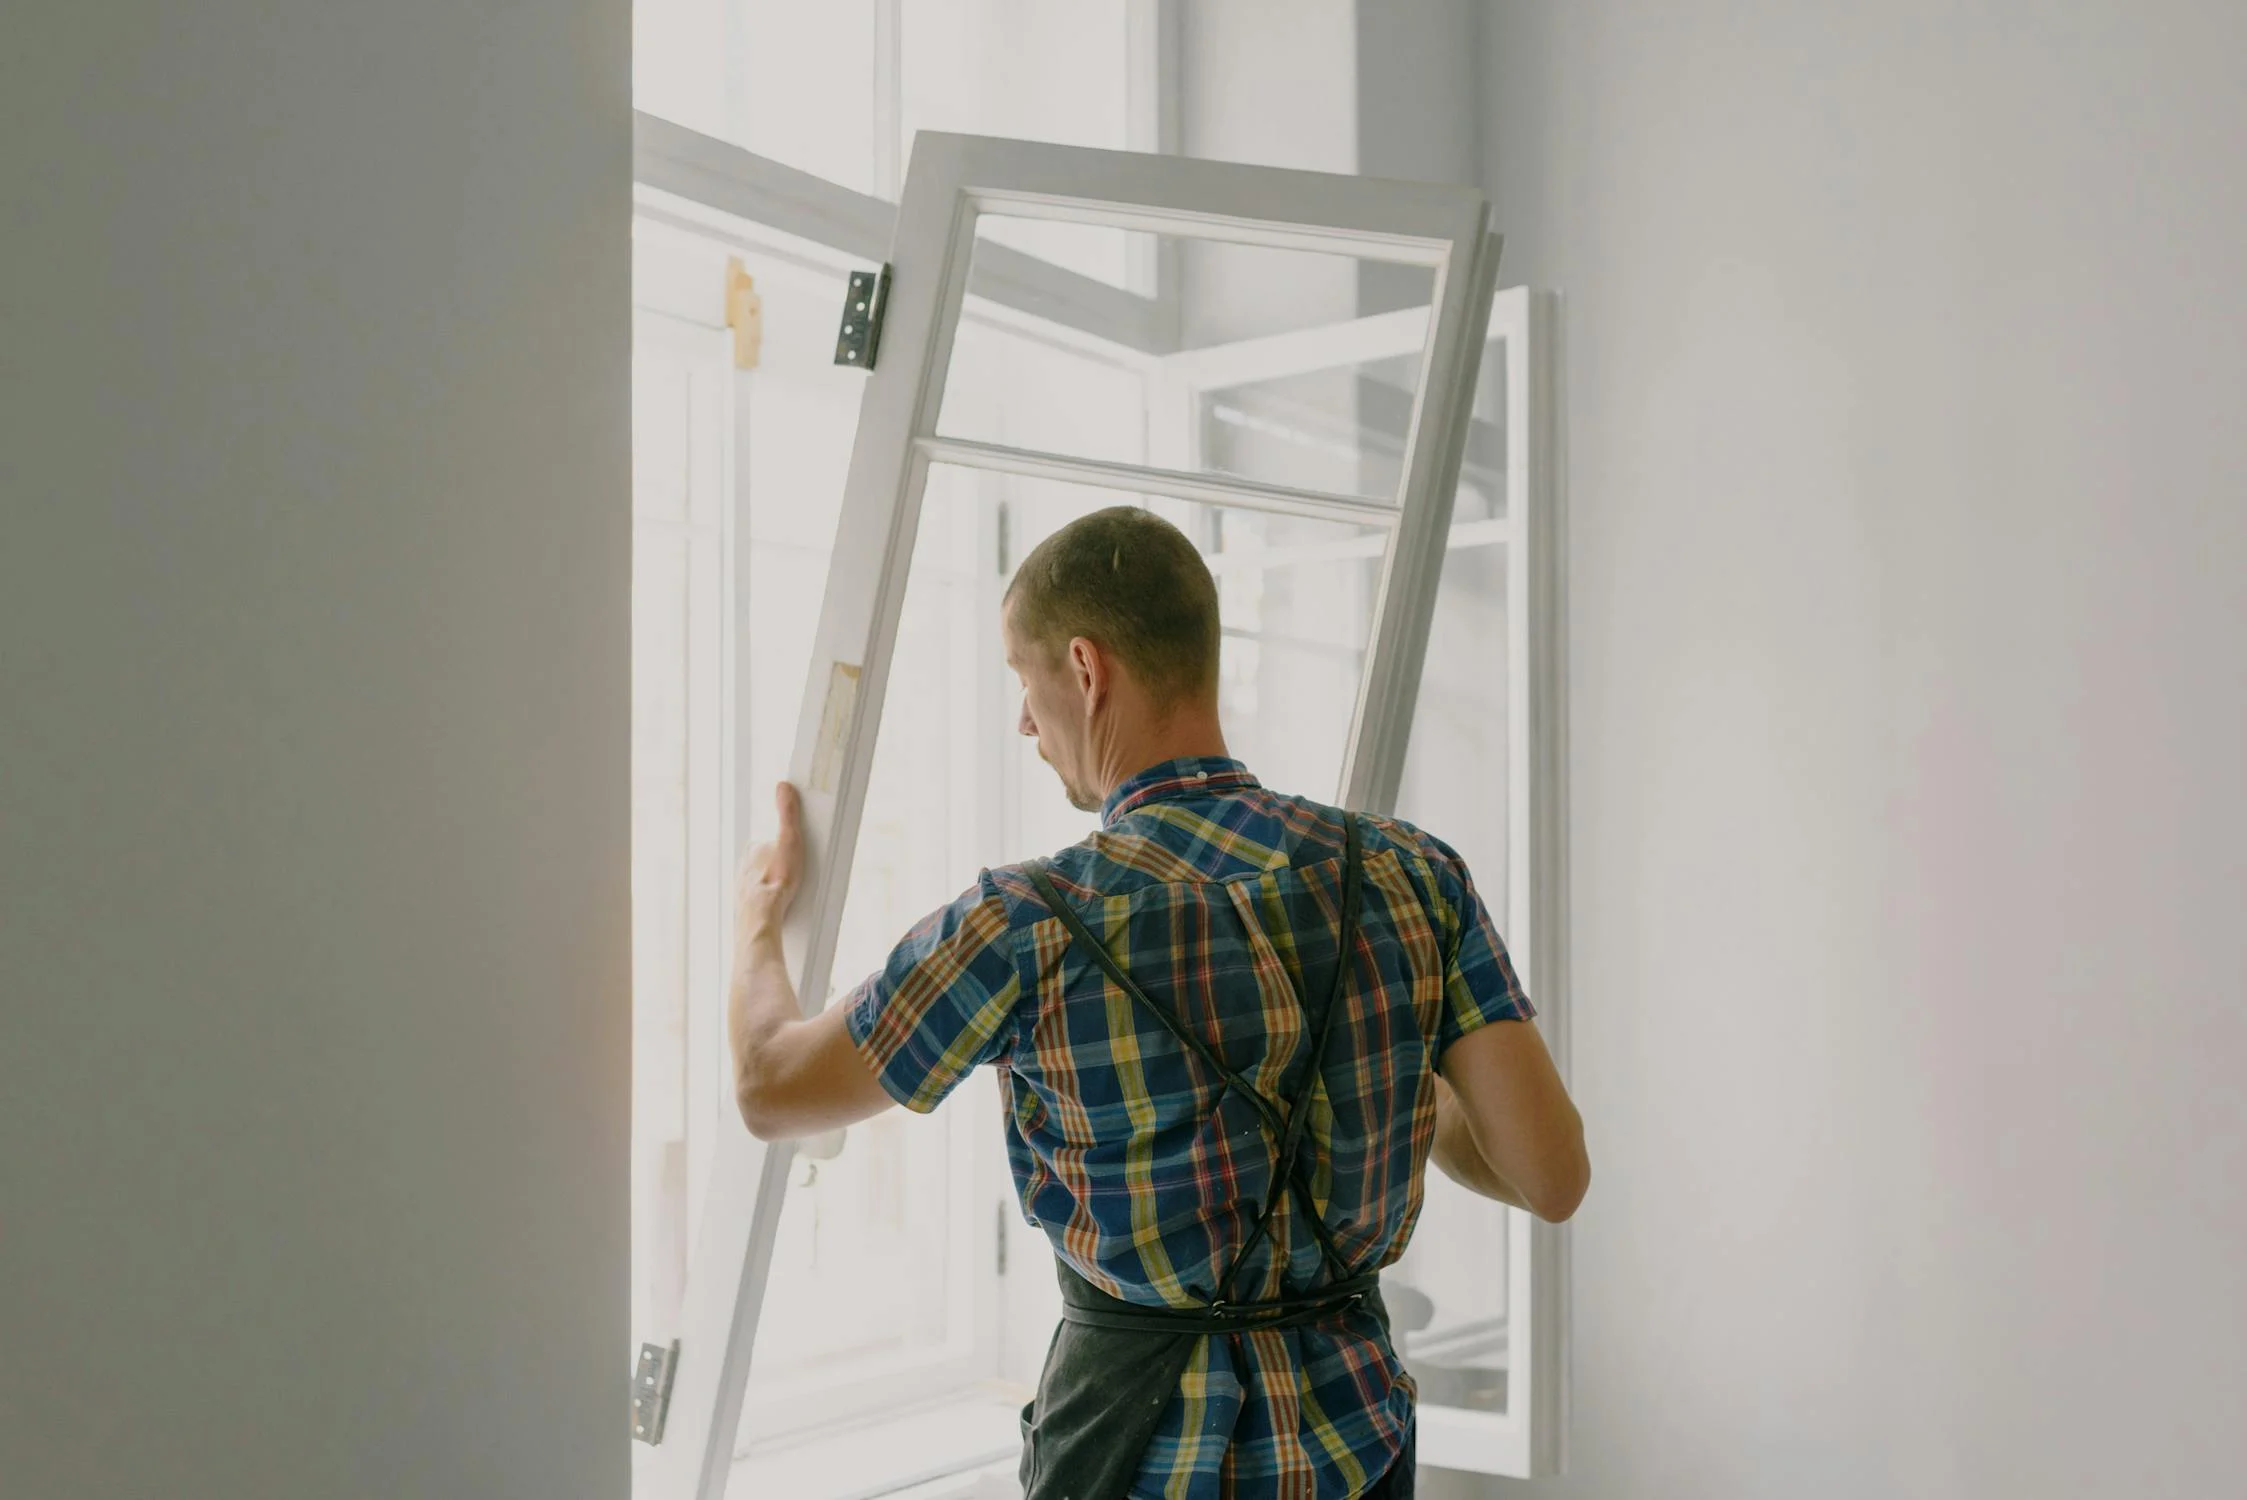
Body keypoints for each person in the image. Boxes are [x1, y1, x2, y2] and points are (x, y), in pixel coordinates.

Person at [729, 506, 1588, 1500]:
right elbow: (1552, 1178)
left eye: (1023, 678)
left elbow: (770, 1087)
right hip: (1358, 1452)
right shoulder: (1411, 873)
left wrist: (755, 924)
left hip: (1135, 1463)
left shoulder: (1026, 922)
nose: (1022, 719)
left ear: (1086, 670)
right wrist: (1404, 1092)